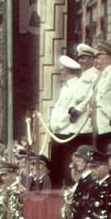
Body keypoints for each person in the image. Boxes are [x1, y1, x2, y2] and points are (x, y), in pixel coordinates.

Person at [48, 55, 90, 186]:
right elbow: (59, 109)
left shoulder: (77, 86)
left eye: (62, 70)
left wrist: (58, 125)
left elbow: (71, 111)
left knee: (68, 167)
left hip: (68, 132)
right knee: (56, 168)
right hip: (58, 132)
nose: (60, 72)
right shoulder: (64, 88)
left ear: (66, 70)